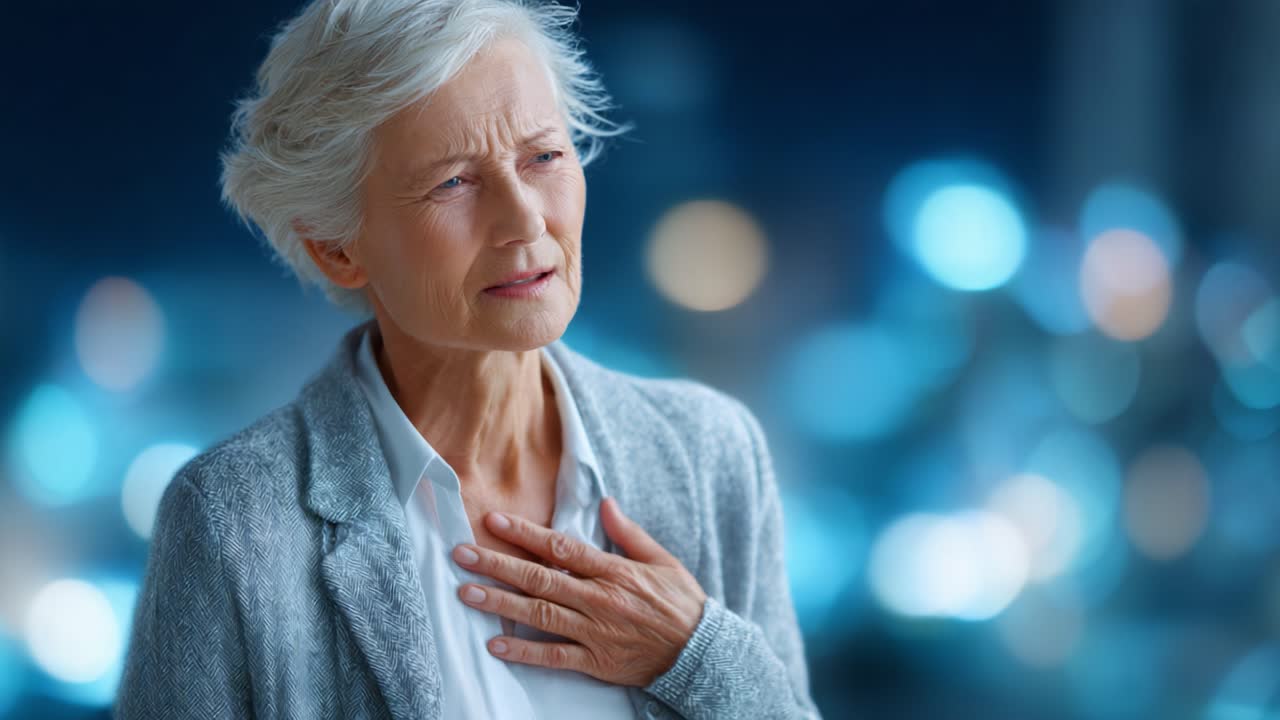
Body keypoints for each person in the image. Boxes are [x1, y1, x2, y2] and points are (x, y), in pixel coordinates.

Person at [115, 1, 820, 718]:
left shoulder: (709, 451)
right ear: (337, 245)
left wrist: (695, 655)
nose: (524, 221)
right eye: (452, 182)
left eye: (543, 156)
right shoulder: (234, 519)